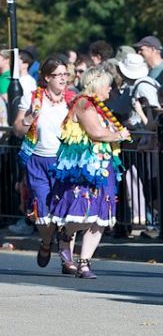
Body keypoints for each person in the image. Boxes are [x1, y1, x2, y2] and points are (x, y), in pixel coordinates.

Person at [48, 66, 131, 279]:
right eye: (108, 85)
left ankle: (84, 263)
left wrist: (114, 135)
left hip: (104, 166)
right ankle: (66, 233)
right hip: (86, 168)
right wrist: (119, 135)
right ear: (97, 84)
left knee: (101, 216)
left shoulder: (99, 106)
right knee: (83, 211)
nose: (110, 89)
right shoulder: (84, 103)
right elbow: (95, 132)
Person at [12, 57, 76, 272]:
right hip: (38, 161)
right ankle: (47, 242)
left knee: (67, 213)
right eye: (59, 75)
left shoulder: (71, 99)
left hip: (65, 162)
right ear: (47, 77)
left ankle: (67, 259)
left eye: (66, 75)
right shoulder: (33, 99)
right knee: (44, 215)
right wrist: (30, 117)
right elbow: (18, 129)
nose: (63, 79)